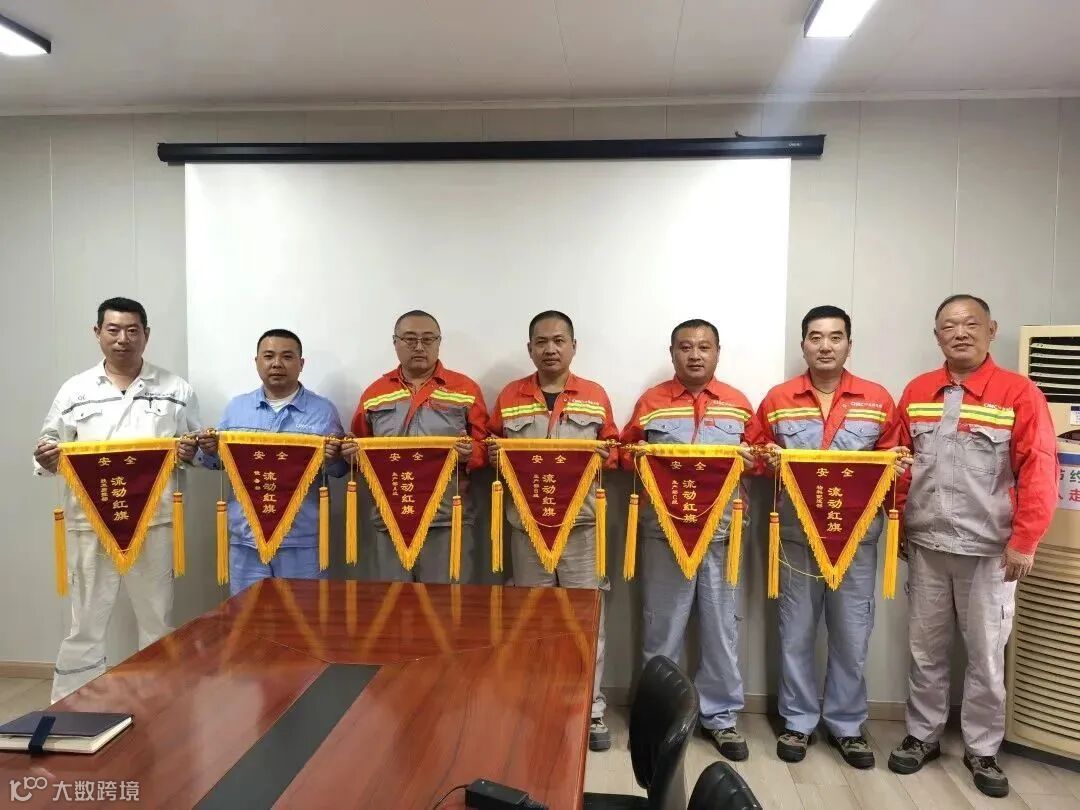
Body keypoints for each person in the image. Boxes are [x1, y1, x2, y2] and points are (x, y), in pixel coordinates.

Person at [887, 294, 1058, 798]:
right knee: (925, 651)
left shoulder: (1019, 393)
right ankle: (923, 736)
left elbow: (1040, 469)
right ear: (936, 335)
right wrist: (899, 526)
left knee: (985, 656)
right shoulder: (918, 391)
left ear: (991, 329)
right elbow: (899, 464)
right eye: (949, 326)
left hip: (990, 552)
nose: (960, 333)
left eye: (970, 324)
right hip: (926, 544)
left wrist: (1025, 541)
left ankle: (982, 748)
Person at [747, 305, 900, 768]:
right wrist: (766, 460)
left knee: (852, 634)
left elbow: (895, 460)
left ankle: (847, 725)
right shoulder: (779, 399)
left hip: (857, 538)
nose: (825, 346)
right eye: (816, 337)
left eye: (835, 337)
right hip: (797, 535)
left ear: (849, 345)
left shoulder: (877, 399)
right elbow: (754, 456)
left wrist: (899, 464)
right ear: (803, 345)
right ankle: (797, 721)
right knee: (795, 632)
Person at [34, 297, 204, 702]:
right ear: (98, 334)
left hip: (154, 520)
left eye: (132, 330)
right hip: (89, 521)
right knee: (85, 621)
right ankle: (73, 704)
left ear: (146, 334)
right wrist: (46, 456)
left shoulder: (176, 389)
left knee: (157, 617)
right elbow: (48, 444)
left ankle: (160, 702)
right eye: (113, 330)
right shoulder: (74, 390)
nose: (122, 339)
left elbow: (195, 447)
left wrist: (191, 451)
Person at [620, 318, 756, 761]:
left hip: (722, 535)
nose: (694, 354)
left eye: (703, 346)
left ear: (717, 352)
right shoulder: (651, 402)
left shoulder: (738, 404)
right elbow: (624, 454)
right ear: (672, 352)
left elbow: (760, 460)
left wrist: (754, 459)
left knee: (722, 628)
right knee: (663, 627)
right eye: (685, 347)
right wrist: (635, 455)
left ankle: (721, 718)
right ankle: (660, 718)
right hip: (664, 532)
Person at [487, 310, 619, 752]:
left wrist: (607, 453)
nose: (550, 349)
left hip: (581, 529)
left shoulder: (594, 396)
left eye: (559, 341)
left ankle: (590, 709)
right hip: (526, 528)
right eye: (541, 342)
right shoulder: (510, 396)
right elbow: (489, 449)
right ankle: (534, 701)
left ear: (573, 346)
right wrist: (490, 453)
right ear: (530, 349)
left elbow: (616, 450)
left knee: (586, 621)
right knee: (531, 621)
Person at [196, 329, 348, 595]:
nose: (277, 364)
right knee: (247, 614)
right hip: (247, 540)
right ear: (257, 362)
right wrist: (208, 451)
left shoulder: (323, 411)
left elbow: (338, 471)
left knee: (304, 617)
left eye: (287, 357)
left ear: (301, 364)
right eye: (268, 356)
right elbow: (219, 462)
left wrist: (335, 456)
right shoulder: (237, 409)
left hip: (302, 540)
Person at [347, 310, 488, 583]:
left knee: (447, 603)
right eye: (410, 339)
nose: (420, 347)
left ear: (439, 342)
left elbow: (486, 446)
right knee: (393, 602)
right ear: (395, 342)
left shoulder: (465, 389)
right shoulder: (375, 393)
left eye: (428, 339)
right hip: (390, 518)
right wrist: (349, 453)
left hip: (447, 519)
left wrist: (471, 453)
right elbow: (359, 448)